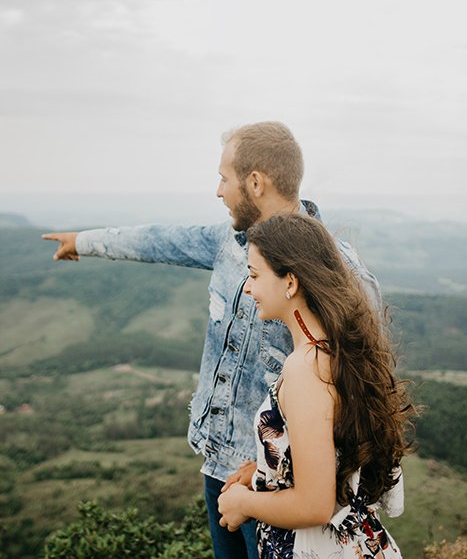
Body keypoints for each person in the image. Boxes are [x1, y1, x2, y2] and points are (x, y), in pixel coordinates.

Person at [42, 121, 382, 559]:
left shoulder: (338, 267)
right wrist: (83, 242)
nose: (218, 191)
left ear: (255, 182)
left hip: (282, 482)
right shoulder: (229, 243)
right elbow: (163, 240)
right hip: (218, 459)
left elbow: (367, 372)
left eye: (224, 178)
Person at [218, 213, 414, 558]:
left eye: (254, 274)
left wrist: (242, 502)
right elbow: (334, 454)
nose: (248, 287)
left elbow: (315, 505)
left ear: (290, 282)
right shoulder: (335, 350)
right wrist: (266, 470)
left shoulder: (306, 369)